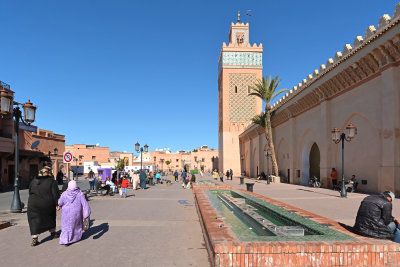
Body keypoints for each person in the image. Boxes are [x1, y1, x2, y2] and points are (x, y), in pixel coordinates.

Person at [27, 166, 60, 246]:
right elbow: (55, 194)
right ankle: (53, 233)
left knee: (33, 220)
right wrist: (57, 204)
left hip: (33, 204)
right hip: (47, 204)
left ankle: (34, 238)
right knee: (50, 217)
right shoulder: (52, 181)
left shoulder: (33, 181)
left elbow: (30, 191)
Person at [58, 180, 91, 246]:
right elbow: (85, 204)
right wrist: (86, 214)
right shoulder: (80, 193)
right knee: (76, 226)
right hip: (76, 213)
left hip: (66, 213)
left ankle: (65, 239)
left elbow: (60, 202)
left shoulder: (64, 194)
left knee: (66, 227)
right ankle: (75, 238)